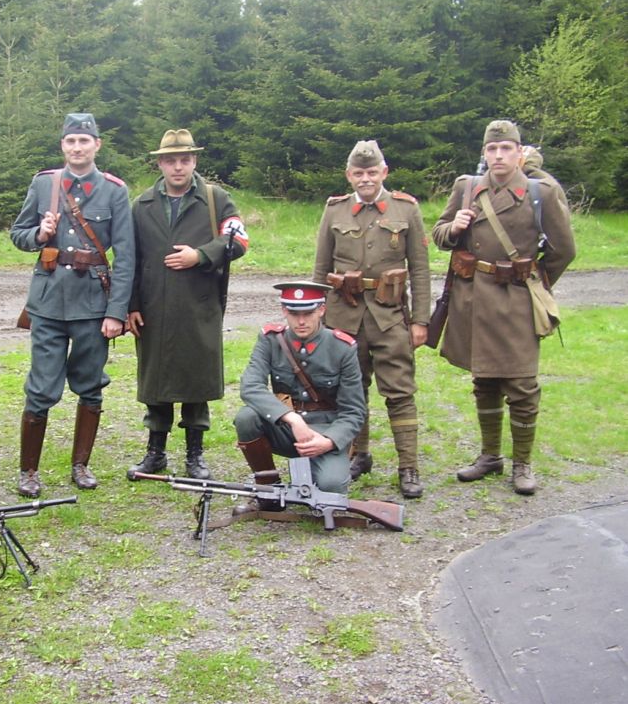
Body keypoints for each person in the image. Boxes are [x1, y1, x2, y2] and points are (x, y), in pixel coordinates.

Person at [432, 120, 575, 495]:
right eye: (492, 149)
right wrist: (453, 227)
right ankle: (490, 456)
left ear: (518, 153)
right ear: (485, 152)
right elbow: (439, 234)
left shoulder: (540, 192)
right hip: (473, 299)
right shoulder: (466, 188)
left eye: (506, 149)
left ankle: (522, 463)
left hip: (515, 300)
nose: (498, 156)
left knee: (522, 384)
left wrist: (533, 282)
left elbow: (563, 250)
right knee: (484, 380)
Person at [9, 113, 135, 497]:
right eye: (71, 141)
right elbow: (18, 234)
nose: (77, 148)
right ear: (62, 145)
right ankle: (28, 471)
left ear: (97, 145)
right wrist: (40, 233)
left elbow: (126, 257)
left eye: (84, 141)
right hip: (48, 302)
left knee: (90, 385)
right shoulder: (44, 184)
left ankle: (81, 465)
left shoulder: (114, 191)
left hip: (94, 305)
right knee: (41, 387)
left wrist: (116, 312)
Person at [126, 129, 248, 481]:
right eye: (170, 160)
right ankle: (155, 453)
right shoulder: (142, 205)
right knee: (156, 381)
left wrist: (201, 255)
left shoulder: (215, 199)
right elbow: (130, 259)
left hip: (199, 305)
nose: (177, 167)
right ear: (160, 164)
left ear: (194, 161)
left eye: (184, 159)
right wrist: (131, 305)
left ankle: (195, 455)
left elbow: (239, 240)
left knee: (197, 380)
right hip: (153, 307)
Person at [312, 140, 430, 498]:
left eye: (372, 172)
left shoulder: (406, 209)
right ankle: (358, 455)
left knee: (400, 391)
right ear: (349, 175)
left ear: (384, 172)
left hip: (389, 317)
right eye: (359, 173)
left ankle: (408, 467)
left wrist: (420, 321)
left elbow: (420, 270)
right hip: (343, 317)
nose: (366, 179)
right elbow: (321, 267)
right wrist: (317, 316)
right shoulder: (334, 210)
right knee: (350, 389)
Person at [232, 282, 366, 513]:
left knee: (330, 489)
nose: (301, 321)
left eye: (308, 313)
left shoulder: (342, 348)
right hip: (286, 428)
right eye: (294, 314)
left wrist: (329, 441)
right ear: (284, 311)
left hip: (325, 430)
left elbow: (354, 411)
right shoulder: (271, 340)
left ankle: (317, 470)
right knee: (247, 417)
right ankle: (268, 489)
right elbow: (250, 386)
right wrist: (292, 419)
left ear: (321, 310)